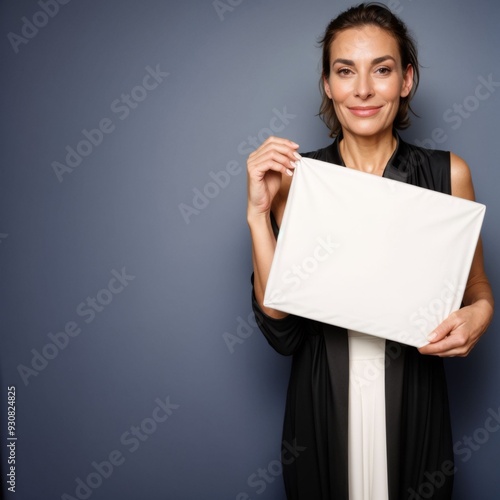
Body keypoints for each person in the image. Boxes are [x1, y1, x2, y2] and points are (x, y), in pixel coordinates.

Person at [246, 3, 494, 500]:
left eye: (381, 70)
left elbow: (477, 289)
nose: (362, 89)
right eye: (345, 72)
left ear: (406, 80)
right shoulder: (296, 180)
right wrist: (257, 214)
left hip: (414, 397)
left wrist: (482, 314)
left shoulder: (450, 175)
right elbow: (281, 326)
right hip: (323, 399)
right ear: (327, 84)